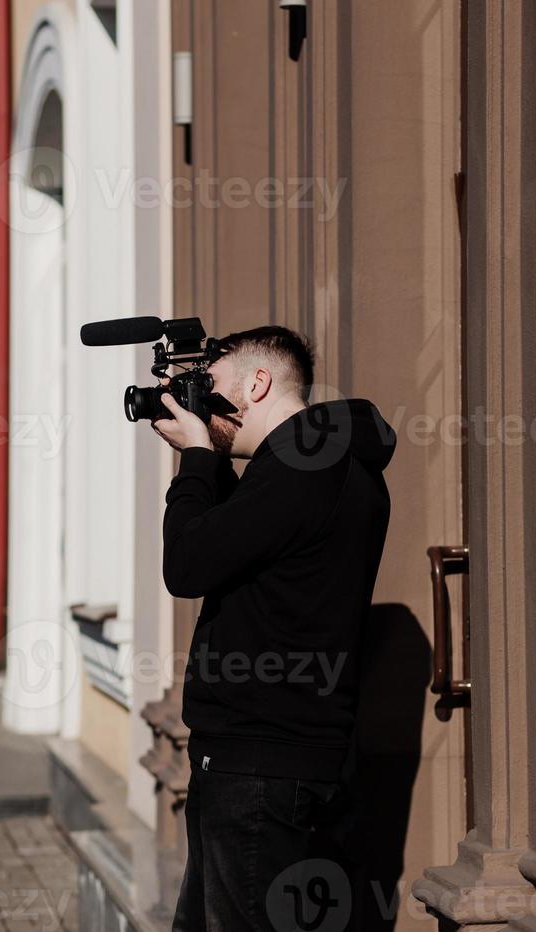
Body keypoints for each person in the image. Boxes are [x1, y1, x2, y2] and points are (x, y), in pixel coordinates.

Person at [151, 325, 396, 932]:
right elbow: (248, 549)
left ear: (257, 383)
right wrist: (205, 460)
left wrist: (197, 458)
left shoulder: (305, 467)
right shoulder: (306, 464)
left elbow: (188, 564)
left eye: (210, 385)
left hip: (262, 763)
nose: (201, 403)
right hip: (254, 756)